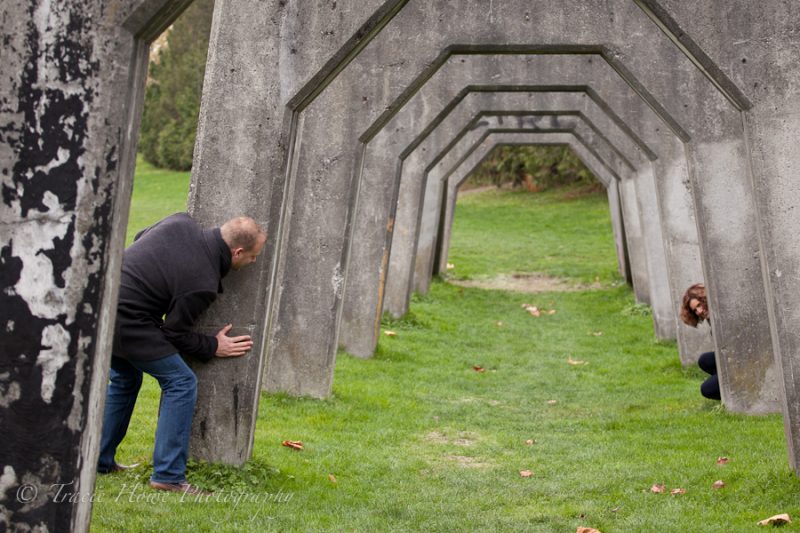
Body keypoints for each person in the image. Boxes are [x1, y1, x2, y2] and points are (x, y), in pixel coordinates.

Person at [97, 213, 267, 494]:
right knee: (181, 382)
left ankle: (99, 460)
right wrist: (214, 346)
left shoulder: (180, 221)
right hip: (129, 321)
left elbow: (142, 236)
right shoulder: (203, 282)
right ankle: (168, 476)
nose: (254, 261)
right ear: (237, 252)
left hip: (106, 303)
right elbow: (174, 333)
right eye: (253, 256)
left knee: (126, 380)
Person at [679, 283, 720, 401]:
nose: (699, 311)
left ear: (705, 299)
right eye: (695, 310)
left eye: (699, 305)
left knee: (706, 389)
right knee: (705, 360)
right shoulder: (710, 319)